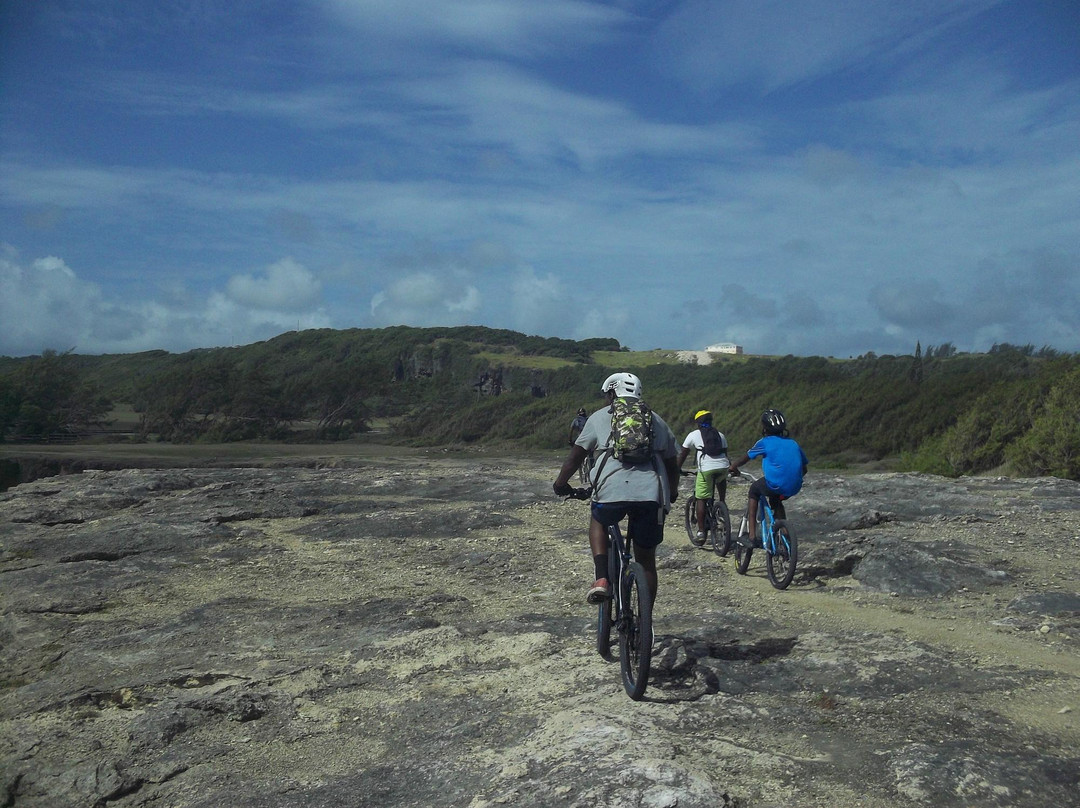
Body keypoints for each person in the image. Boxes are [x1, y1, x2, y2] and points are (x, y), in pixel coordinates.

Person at [553, 372, 680, 605]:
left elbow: (575, 457)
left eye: (606, 395)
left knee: (599, 522)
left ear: (612, 393)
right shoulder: (656, 419)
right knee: (646, 560)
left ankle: (601, 579)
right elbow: (673, 463)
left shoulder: (599, 417)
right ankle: (645, 622)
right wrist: (671, 492)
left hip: (611, 491)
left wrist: (560, 483)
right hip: (651, 494)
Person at [728, 409, 808, 546]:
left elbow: (746, 458)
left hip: (774, 484)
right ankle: (785, 533)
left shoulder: (764, 442)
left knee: (754, 490)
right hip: (795, 486)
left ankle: (752, 536)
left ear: (765, 428)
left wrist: (733, 467)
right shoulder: (793, 443)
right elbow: (804, 468)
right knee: (776, 500)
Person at [676, 410, 730, 541]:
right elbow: (725, 455)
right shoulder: (720, 435)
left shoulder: (693, 435)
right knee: (720, 477)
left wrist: (677, 469)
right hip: (723, 467)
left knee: (701, 498)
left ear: (698, 423)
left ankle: (700, 532)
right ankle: (722, 505)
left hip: (706, 470)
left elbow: (683, 454)